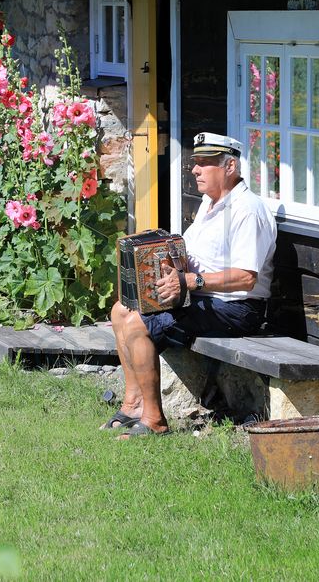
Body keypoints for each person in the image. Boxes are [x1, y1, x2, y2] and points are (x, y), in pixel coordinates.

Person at [106, 132, 277, 437]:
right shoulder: (209, 204)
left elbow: (245, 278)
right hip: (204, 299)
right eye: (195, 162)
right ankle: (133, 404)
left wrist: (189, 280)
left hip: (237, 308)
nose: (195, 169)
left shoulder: (247, 211)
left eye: (204, 163)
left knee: (136, 324)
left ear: (230, 167)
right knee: (121, 310)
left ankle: (155, 420)